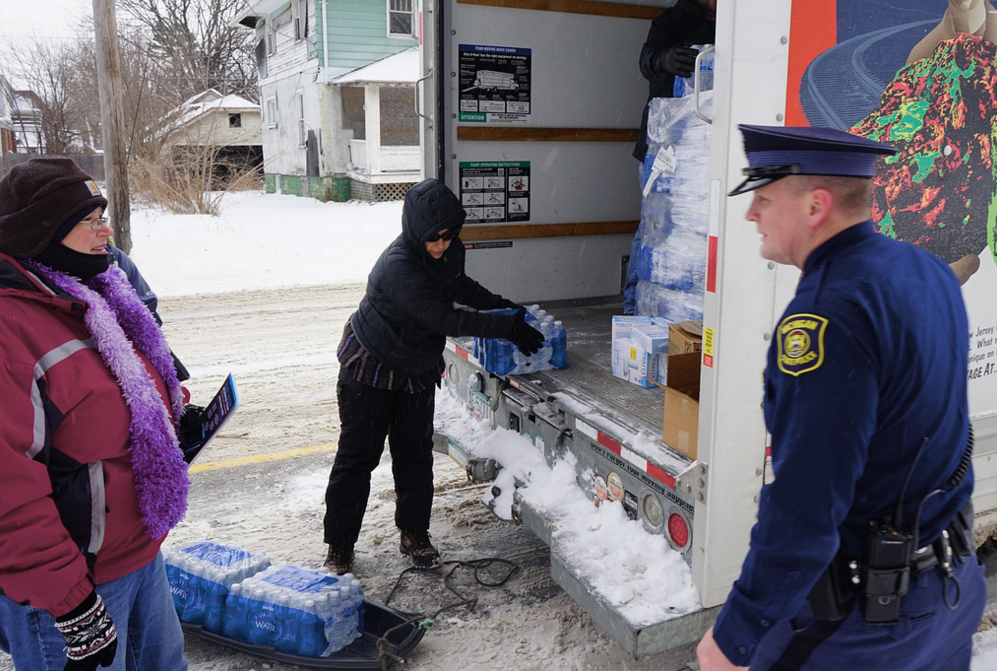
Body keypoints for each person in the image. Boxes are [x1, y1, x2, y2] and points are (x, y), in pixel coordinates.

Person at [696, 125, 986, 670]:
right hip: (950, 590)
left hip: (867, 626)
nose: (750, 215)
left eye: (762, 198)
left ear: (815, 205)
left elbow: (807, 505)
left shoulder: (828, 317)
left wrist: (736, 634)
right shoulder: (923, 267)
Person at [0, 158, 192, 670]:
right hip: (73, 583)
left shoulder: (97, 295)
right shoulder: (11, 326)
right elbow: (7, 484)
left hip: (139, 553)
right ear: (44, 232)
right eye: (88, 219)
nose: (105, 229)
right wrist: (69, 602)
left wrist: (172, 418)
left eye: (102, 213)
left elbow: (117, 395)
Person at [323, 178, 544, 575]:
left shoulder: (447, 252)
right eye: (433, 238)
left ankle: (414, 533)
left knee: (414, 455)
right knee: (358, 459)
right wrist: (506, 328)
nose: (442, 245)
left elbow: (458, 287)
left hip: (415, 368)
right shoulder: (399, 267)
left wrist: (503, 308)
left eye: (448, 235)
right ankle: (339, 545)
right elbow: (446, 317)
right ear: (414, 232)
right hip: (370, 367)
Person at [624, 0, 717, 314]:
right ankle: (634, 306)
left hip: (707, 148)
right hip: (664, 146)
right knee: (654, 224)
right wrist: (664, 58)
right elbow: (646, 59)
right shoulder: (673, 20)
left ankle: (691, 306)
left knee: (700, 227)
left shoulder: (738, 26)